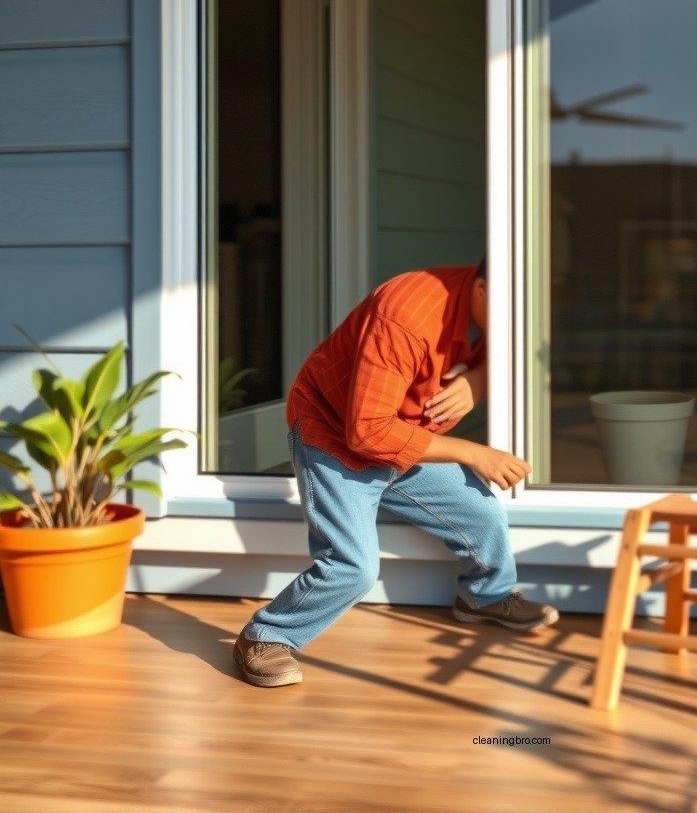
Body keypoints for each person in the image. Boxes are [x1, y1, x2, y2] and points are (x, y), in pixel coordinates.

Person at [233, 259, 559, 687]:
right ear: (482, 290)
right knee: (353, 567)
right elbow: (367, 432)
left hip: (405, 435)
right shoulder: (406, 316)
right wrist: (472, 454)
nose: (520, 324)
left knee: (484, 514)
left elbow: (516, 358)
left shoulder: (490, 305)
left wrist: (477, 380)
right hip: (334, 435)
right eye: (513, 311)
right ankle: (266, 636)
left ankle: (485, 598)